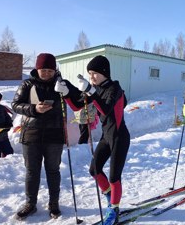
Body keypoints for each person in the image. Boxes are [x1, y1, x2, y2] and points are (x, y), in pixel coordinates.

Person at [55, 55, 130, 225]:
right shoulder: (94, 88)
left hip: (120, 137)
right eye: (89, 74)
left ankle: (114, 210)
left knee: (113, 176)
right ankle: (111, 198)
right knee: (94, 170)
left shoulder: (114, 88)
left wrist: (90, 90)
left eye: (95, 73)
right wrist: (66, 92)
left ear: (105, 72)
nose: (92, 77)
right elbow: (77, 106)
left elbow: (104, 109)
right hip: (106, 137)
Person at [12, 53, 65, 220]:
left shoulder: (61, 84)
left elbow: (78, 99)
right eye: (44, 70)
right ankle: (30, 203)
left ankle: (54, 203)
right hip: (31, 135)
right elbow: (15, 105)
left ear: (54, 70)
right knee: (32, 172)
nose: (47, 73)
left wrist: (69, 92)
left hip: (54, 135)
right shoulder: (27, 84)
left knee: (53, 171)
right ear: (37, 69)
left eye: (50, 70)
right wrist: (34, 109)